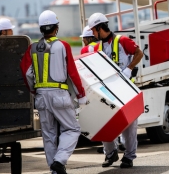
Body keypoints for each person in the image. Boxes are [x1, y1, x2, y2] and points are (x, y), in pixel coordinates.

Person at [20, 10, 88, 174]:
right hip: (59, 94)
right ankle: (60, 160)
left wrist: (34, 91)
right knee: (72, 129)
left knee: (49, 135)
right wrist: (81, 95)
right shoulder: (63, 46)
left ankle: (55, 170)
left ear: (41, 29)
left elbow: (27, 73)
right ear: (56, 27)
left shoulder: (32, 48)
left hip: (41, 96)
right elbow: (72, 73)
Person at [88, 12, 143, 168]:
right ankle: (110, 153)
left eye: (93, 30)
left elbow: (139, 53)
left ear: (100, 28)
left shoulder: (122, 41)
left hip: (125, 88)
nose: (92, 33)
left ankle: (129, 156)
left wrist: (129, 68)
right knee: (104, 122)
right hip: (108, 91)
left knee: (130, 124)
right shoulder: (97, 47)